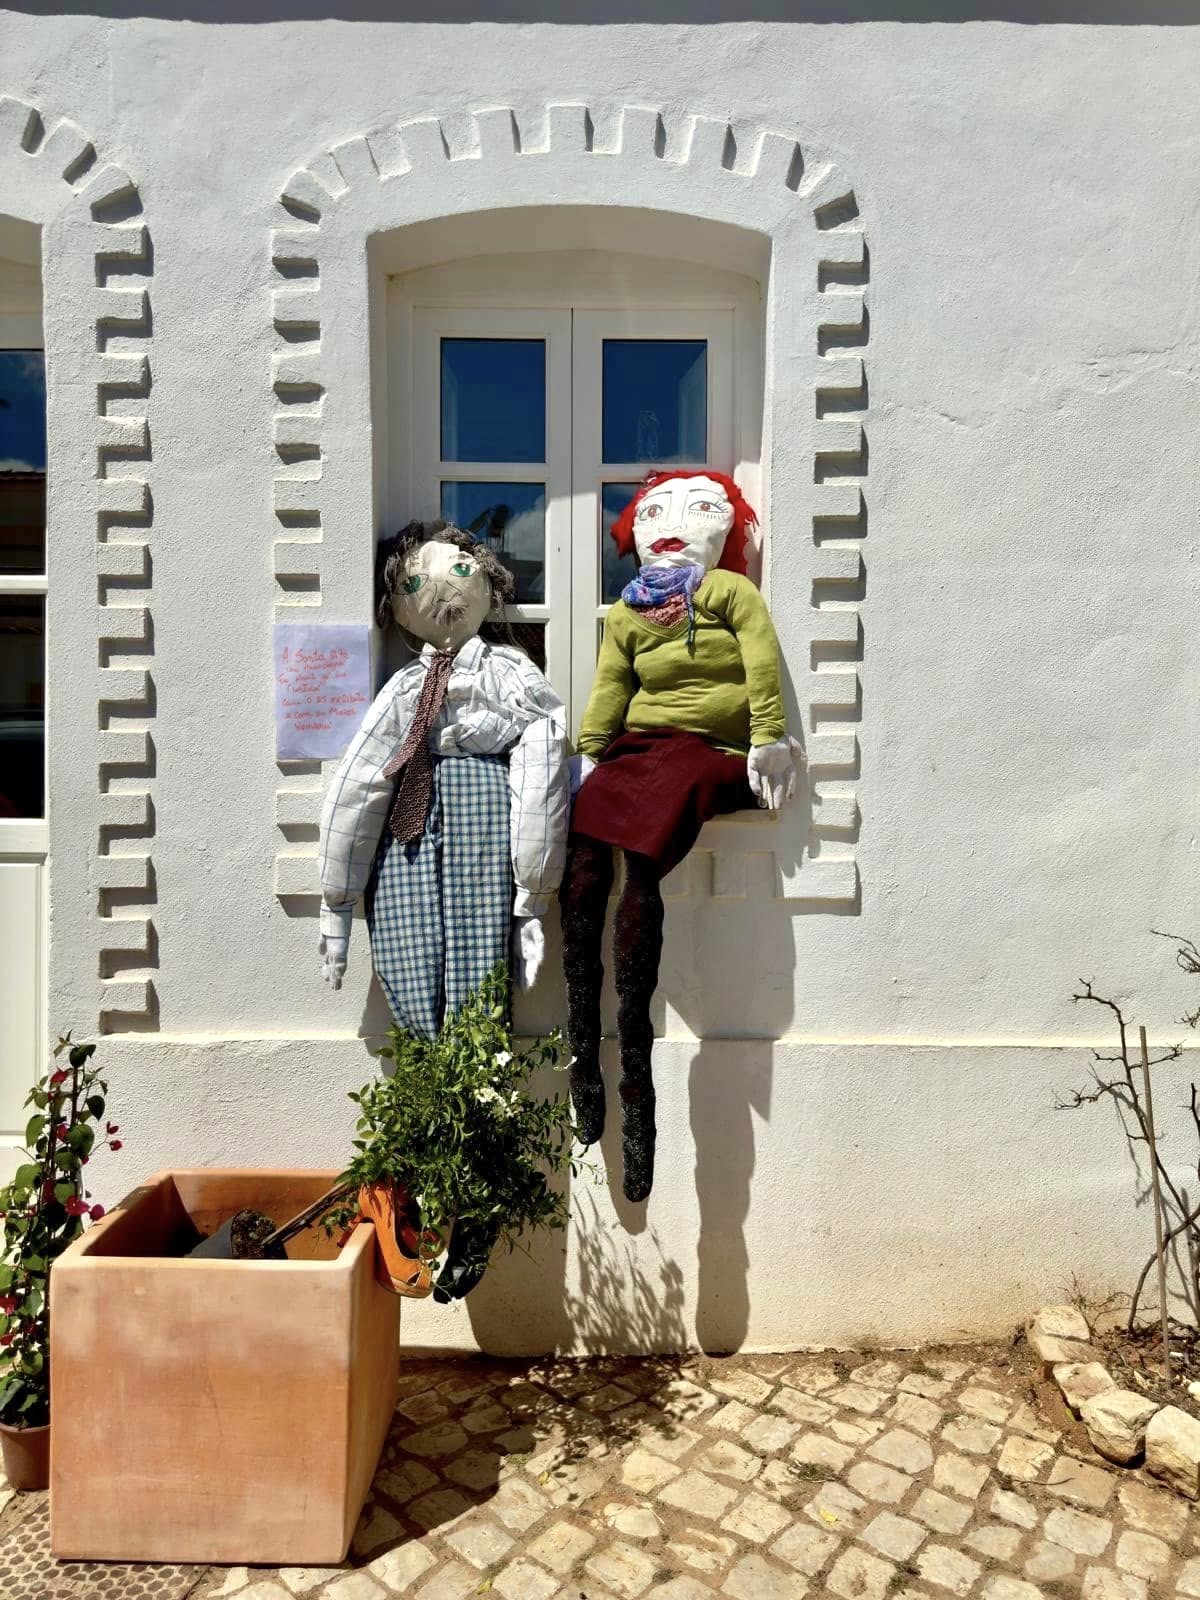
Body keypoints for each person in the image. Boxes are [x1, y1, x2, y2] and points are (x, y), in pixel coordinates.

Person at [560, 471, 801, 1202]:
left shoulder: (729, 592)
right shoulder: (631, 611)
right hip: (642, 748)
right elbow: (611, 685)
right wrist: (590, 752)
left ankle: (634, 1075)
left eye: (694, 511)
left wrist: (768, 737)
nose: (670, 527)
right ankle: (582, 1044)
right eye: (654, 514)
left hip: (710, 752)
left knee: (644, 856)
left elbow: (760, 659)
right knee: (584, 851)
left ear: (724, 528)